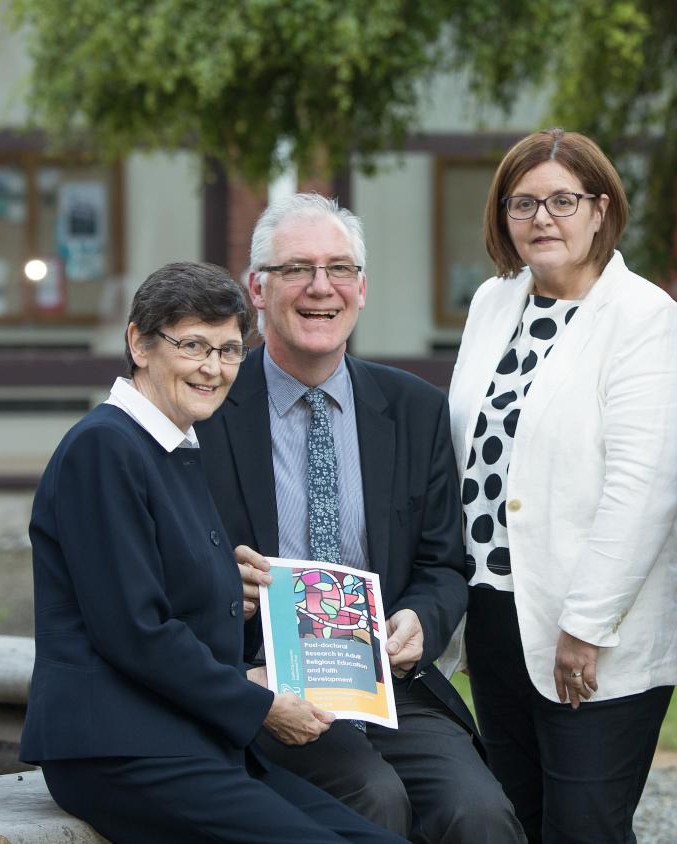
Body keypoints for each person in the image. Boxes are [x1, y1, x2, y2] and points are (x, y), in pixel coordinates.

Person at [20, 262, 404, 844]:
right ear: (139, 343)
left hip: (187, 740)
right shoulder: (104, 447)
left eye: (228, 350)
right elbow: (134, 630)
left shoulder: (175, 447)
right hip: (120, 752)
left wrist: (234, 588)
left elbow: (161, 586)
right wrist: (260, 705)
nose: (214, 368)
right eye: (194, 345)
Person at [196, 193, 523, 844]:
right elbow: (164, 564)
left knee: (481, 814)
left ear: (362, 289)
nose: (322, 288)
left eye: (339, 269)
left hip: (391, 684)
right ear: (256, 288)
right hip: (266, 683)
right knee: (372, 800)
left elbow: (443, 566)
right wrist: (220, 584)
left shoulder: (415, 411)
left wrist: (420, 622)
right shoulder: (206, 414)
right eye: (297, 270)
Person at [444, 128, 677, 844]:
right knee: (515, 818)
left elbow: (642, 491)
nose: (542, 219)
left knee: (585, 825)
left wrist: (584, 625)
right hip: (497, 609)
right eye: (522, 203)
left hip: (595, 629)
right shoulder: (493, 303)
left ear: (601, 208)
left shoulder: (646, 319)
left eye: (563, 200)